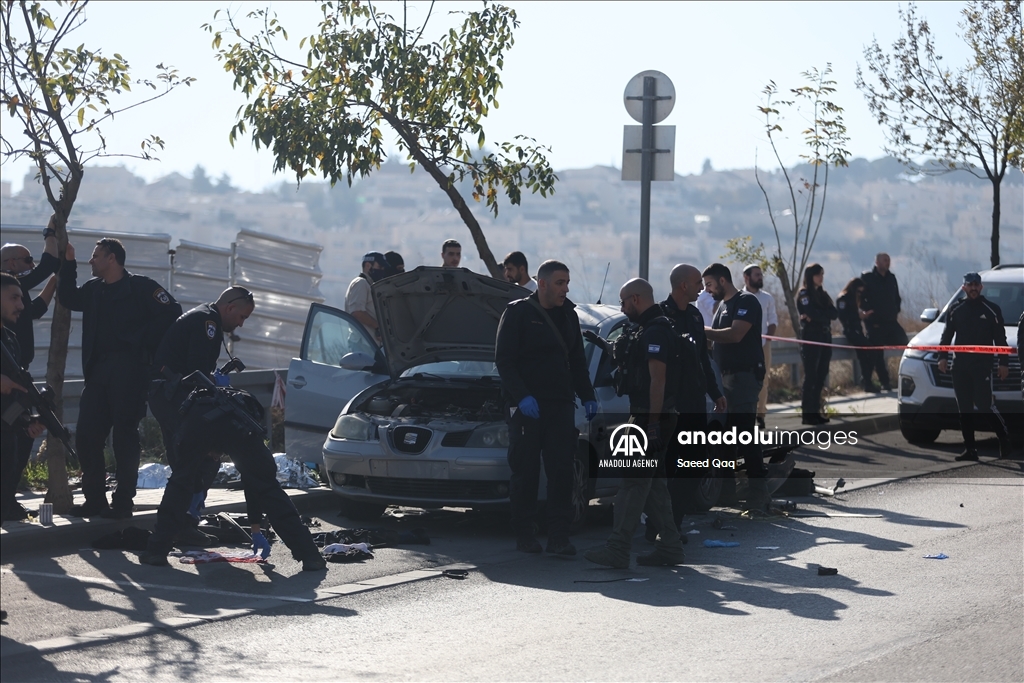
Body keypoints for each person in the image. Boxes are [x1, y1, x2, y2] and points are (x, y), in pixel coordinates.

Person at [140, 287, 325, 570]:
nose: (241, 324)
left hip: (190, 412)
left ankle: (158, 548)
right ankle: (309, 554)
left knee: (183, 478)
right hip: (193, 408)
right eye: (241, 316)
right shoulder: (207, 323)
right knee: (260, 482)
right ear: (229, 307)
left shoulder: (202, 318)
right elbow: (197, 375)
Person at [58, 239, 182, 519]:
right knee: (87, 435)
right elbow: (68, 298)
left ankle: (123, 501)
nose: (91, 261)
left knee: (125, 436)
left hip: (130, 370)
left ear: (111, 258)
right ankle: (95, 499)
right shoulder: (94, 290)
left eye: (95, 256)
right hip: (99, 371)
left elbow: (172, 313)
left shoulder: (141, 287)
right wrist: (68, 262)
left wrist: (140, 341)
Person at [495, 259, 597, 555]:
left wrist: (587, 395)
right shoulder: (518, 313)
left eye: (567, 283)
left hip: (560, 404)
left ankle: (559, 537)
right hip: (527, 407)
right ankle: (525, 534)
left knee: (562, 471)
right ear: (542, 284)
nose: (566, 289)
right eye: (560, 283)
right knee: (525, 472)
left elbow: (577, 361)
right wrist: (522, 397)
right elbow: (505, 361)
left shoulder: (569, 315)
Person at [584, 278, 686, 569]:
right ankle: (670, 546)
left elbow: (657, 381)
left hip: (650, 417)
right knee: (652, 486)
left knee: (632, 483)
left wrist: (652, 424)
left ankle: (618, 549)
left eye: (623, 302)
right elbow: (633, 362)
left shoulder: (656, 332)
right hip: (649, 415)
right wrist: (605, 346)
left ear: (636, 299)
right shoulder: (645, 329)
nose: (621, 308)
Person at [656, 263, 726, 529]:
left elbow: (702, 360)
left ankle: (673, 522)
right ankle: (660, 526)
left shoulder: (695, 317)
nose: (701, 289)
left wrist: (715, 392)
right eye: (698, 283)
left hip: (694, 404)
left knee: (696, 465)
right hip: (670, 406)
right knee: (667, 467)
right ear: (683, 285)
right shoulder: (661, 317)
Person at [0, 224, 60, 521]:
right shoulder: (8, 283)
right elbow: (49, 264)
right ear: (11, 264)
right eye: (27, 260)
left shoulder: (12, 312)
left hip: (17, 378)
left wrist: (56, 282)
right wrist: (51, 234)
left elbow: (36, 309)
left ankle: (6, 503)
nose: (32, 266)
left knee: (17, 443)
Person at [702, 263, 770, 512]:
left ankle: (758, 493)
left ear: (722, 280)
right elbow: (716, 343)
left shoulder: (746, 301)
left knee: (744, 434)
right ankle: (727, 492)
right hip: (724, 379)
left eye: (709, 284)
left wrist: (702, 331)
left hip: (744, 377)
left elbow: (735, 334)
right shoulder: (721, 306)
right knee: (725, 438)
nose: (707, 290)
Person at [937, 272, 1012, 461]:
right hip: (960, 366)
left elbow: (1001, 339)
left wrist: (1003, 363)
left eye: (976, 285)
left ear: (981, 287)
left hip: (982, 366)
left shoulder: (992, 309)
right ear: (963, 288)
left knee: (984, 405)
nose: (973, 288)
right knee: (964, 408)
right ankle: (970, 449)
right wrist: (942, 357)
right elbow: (946, 336)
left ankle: (1004, 438)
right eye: (969, 285)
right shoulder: (955, 309)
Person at [1, 274, 47, 523]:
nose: (21, 305)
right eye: (14, 298)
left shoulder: (11, 340)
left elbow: (14, 397)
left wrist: (28, 422)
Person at [797, 264, 838, 426]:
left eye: (822, 274)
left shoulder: (822, 294)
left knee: (821, 374)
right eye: (818, 274)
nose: (821, 278)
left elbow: (834, 313)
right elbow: (811, 312)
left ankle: (816, 411)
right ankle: (807, 414)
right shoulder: (804, 294)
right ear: (810, 276)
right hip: (812, 337)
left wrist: (818, 315)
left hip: (825, 335)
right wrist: (818, 315)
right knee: (811, 376)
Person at [861, 252, 907, 391]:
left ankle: (905, 377)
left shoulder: (891, 278)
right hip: (875, 323)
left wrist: (896, 310)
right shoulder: (868, 278)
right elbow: (860, 298)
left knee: (904, 341)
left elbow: (897, 297)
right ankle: (877, 381)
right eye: (885, 260)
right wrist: (868, 311)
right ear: (877, 262)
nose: (888, 262)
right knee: (876, 352)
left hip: (890, 321)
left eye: (888, 260)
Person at [742, 264, 778, 428]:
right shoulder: (740, 297)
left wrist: (768, 337)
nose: (760, 277)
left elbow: (773, 320)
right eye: (757, 275)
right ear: (747, 277)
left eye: (761, 274)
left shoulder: (767, 298)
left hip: (763, 345)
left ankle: (761, 414)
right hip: (743, 346)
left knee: (763, 380)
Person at [837, 277, 882, 393]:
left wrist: (862, 315)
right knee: (871, 352)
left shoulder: (853, 299)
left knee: (865, 356)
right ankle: (866, 380)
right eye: (858, 291)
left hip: (857, 330)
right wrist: (858, 316)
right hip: (851, 331)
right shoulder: (843, 298)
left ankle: (867, 381)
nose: (859, 294)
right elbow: (843, 316)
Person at [345, 252, 388, 339]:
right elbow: (357, 313)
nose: (382, 270)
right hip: (362, 342)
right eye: (379, 267)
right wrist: (378, 327)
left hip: (368, 342)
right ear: (368, 265)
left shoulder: (369, 284)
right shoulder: (361, 283)